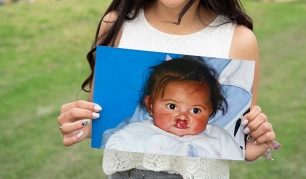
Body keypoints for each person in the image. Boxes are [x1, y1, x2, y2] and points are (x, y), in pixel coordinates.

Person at [57, 0, 279, 179]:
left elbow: (238, 142)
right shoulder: (116, 26)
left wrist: (255, 140)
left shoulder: (239, 40)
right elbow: (105, 120)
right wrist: (82, 123)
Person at [104, 56, 244, 160]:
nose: (182, 117)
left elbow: (235, 163)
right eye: (172, 106)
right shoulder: (136, 133)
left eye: (195, 110)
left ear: (210, 111)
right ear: (150, 106)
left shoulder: (218, 137)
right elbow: (114, 149)